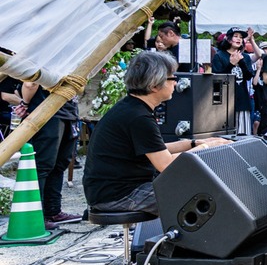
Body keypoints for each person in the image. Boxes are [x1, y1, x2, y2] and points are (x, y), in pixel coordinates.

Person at [83, 51, 229, 214]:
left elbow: (155, 148)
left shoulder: (132, 108)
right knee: (207, 196)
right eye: (172, 78)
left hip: (114, 191)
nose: (176, 83)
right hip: (119, 196)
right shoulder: (138, 117)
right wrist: (206, 148)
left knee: (202, 188)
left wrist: (193, 143)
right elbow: (166, 164)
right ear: (154, 85)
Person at [19, 81, 81, 228]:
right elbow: (30, 83)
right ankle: (39, 215)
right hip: (53, 111)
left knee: (54, 164)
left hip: (60, 111)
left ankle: (51, 211)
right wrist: (26, 103)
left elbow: (30, 83)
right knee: (46, 165)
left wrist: (25, 102)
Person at [211, 28, 256, 135]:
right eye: (236, 36)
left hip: (242, 100)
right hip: (225, 102)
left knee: (243, 135)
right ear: (229, 39)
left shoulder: (245, 57)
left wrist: (241, 62)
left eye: (241, 37)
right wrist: (231, 64)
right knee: (226, 137)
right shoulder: (220, 55)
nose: (239, 39)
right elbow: (217, 80)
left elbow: (249, 76)